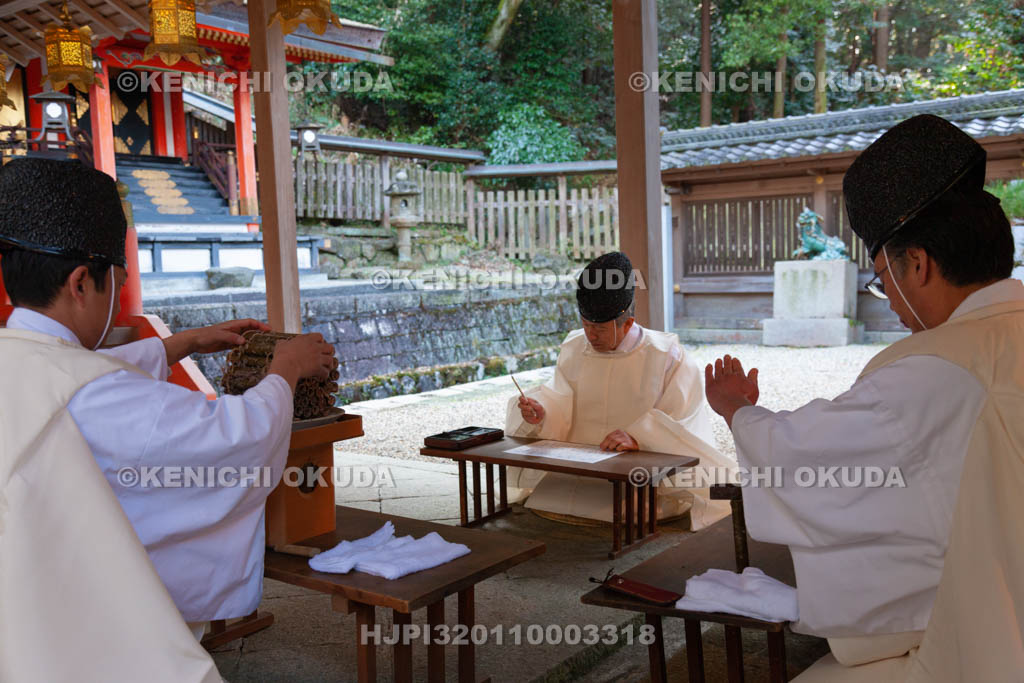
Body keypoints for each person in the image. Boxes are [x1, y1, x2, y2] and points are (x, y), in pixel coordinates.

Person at [704, 114, 1024, 680]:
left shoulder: (931, 369)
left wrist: (738, 409)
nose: (892, 305)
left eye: (883, 278)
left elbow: (802, 460)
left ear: (918, 264)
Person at [0, 158, 337, 640]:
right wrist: (288, 366)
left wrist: (183, 343)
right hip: (89, 621)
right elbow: (239, 436)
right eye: (116, 282)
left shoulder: (20, 356)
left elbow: (81, 376)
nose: (118, 294)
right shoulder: (93, 390)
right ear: (80, 284)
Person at [505, 251, 735, 529]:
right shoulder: (575, 346)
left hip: (640, 475)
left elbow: (683, 421)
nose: (591, 335)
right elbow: (560, 399)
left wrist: (640, 437)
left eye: (599, 329)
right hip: (580, 464)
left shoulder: (667, 355)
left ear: (627, 322)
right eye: (586, 325)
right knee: (550, 498)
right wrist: (541, 413)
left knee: (629, 506)